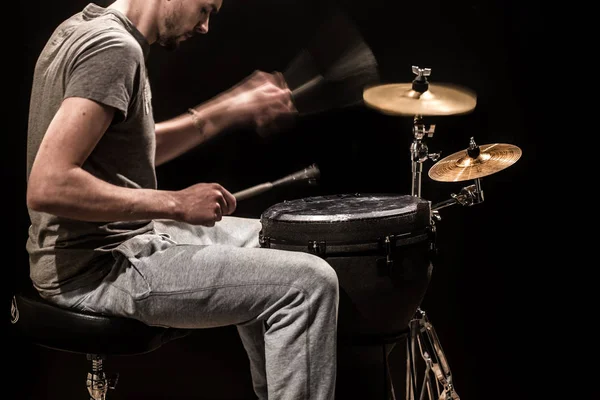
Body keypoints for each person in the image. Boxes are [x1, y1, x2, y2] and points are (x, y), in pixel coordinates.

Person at [24, 1, 340, 399]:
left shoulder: (81, 27)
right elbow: (48, 185)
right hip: (97, 267)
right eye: (205, 8)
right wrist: (175, 203)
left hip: (111, 246)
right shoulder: (116, 48)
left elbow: (129, 150)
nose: (206, 27)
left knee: (275, 235)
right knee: (310, 282)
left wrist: (228, 109)